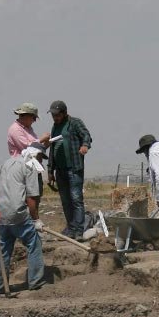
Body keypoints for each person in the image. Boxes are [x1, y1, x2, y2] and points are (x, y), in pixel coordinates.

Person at [0, 145, 47, 294]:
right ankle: (35, 282)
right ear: (36, 155)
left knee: (3, 250)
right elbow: (31, 197)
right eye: (41, 157)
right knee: (34, 242)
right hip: (18, 213)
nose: (41, 161)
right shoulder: (30, 165)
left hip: (2, 214)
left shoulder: (7, 163)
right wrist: (36, 220)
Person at [42, 100, 92, 239]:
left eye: (57, 115)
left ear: (64, 113)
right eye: (53, 115)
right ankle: (71, 228)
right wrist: (50, 171)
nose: (55, 117)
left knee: (76, 199)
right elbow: (53, 149)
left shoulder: (75, 123)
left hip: (74, 168)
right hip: (60, 170)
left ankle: (79, 230)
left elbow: (86, 135)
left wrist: (85, 145)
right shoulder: (55, 127)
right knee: (65, 201)